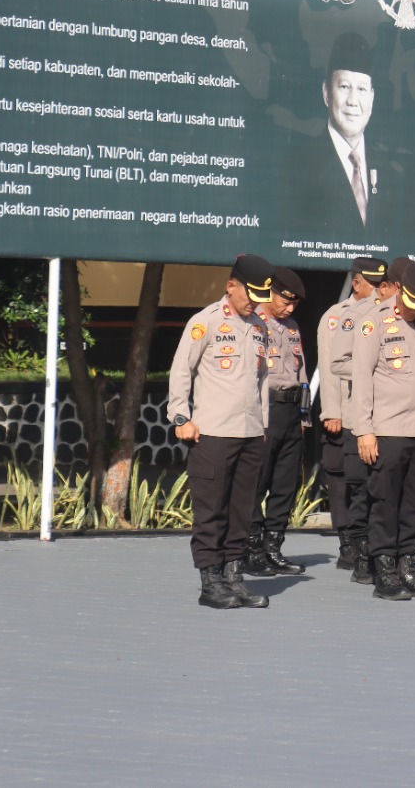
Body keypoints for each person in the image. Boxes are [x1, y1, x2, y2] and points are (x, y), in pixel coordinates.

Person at [167, 254, 275, 610]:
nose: (254, 301)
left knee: (242, 510)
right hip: (211, 433)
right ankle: (210, 582)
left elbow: (262, 380)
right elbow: (182, 370)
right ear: (231, 286)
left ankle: (233, 577)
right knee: (211, 510)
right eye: (250, 294)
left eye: (261, 296)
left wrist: (263, 425)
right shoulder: (205, 322)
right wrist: (181, 417)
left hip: (249, 434)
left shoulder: (259, 326)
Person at [352, 261, 415, 600]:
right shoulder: (375, 322)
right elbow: (362, 379)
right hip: (388, 429)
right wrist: (364, 431)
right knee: (385, 502)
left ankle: (408, 567)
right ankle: (384, 570)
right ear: (399, 291)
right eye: (412, 301)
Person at [317, 256, 385, 570]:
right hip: (347, 407)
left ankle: (368, 543)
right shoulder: (338, 316)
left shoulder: (384, 312)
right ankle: (349, 544)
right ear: (356, 283)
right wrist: (332, 411)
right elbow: (331, 368)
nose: (378, 289)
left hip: (378, 412)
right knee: (348, 481)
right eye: (373, 283)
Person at [243, 268, 309, 577]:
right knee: (258, 482)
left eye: (294, 304)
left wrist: (304, 416)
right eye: (286, 301)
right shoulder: (253, 322)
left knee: (285, 484)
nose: (290, 308)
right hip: (264, 410)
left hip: (291, 411)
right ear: (270, 293)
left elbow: (302, 373)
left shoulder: (292, 326)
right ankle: (251, 549)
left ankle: (273, 548)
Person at [288, 32, 385, 236]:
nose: (353, 100)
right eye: (344, 87)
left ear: (372, 98)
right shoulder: (297, 167)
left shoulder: (391, 173)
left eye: (361, 89)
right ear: (326, 93)